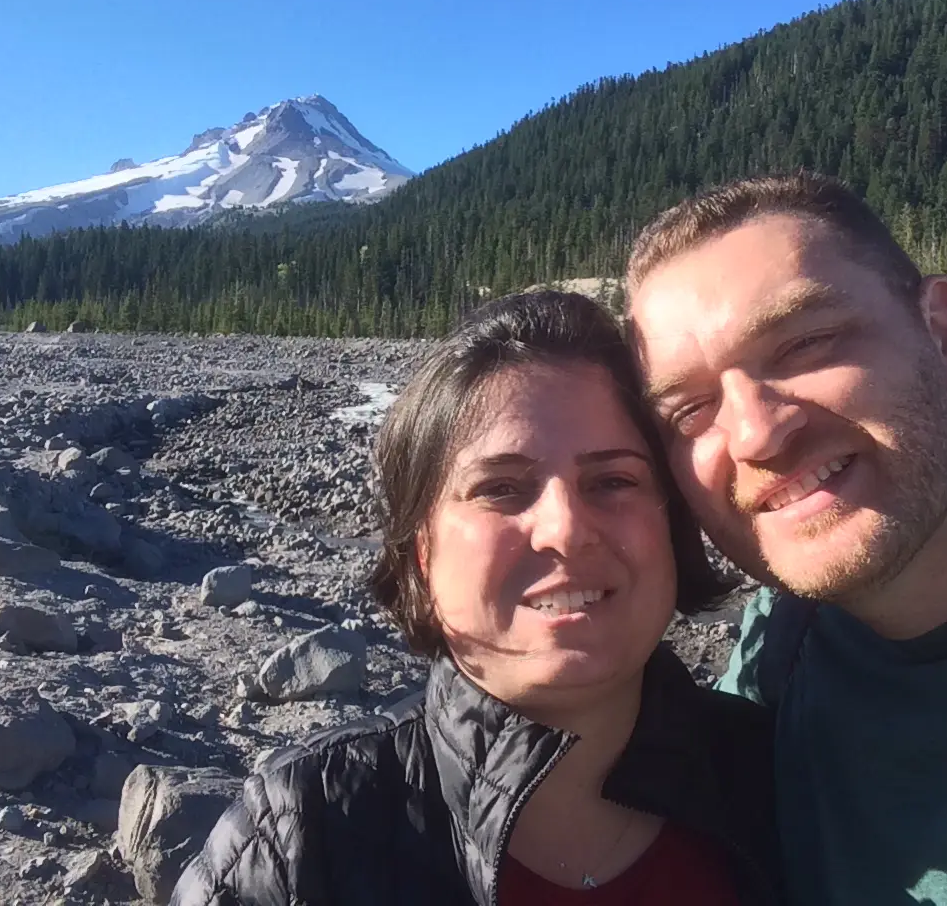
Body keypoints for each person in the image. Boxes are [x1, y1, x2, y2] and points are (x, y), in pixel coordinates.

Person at [172, 290, 782, 905]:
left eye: (614, 480)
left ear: (673, 528)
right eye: (501, 488)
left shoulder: (781, 781)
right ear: (421, 553)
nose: (565, 529)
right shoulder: (306, 832)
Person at [625, 171, 947, 906]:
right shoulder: (783, 642)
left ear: (946, 335)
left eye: (806, 343)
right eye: (690, 409)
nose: (755, 434)